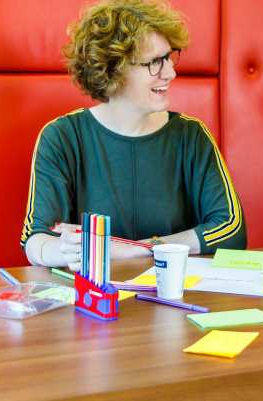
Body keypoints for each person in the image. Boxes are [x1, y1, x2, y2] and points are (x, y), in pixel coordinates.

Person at [21, 0, 246, 271]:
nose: (170, 72)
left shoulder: (191, 135)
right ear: (113, 69)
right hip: (90, 303)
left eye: (170, 57)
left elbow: (231, 230)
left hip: (170, 298)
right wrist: (63, 249)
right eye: (155, 62)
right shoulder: (61, 137)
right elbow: (36, 240)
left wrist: (135, 249)